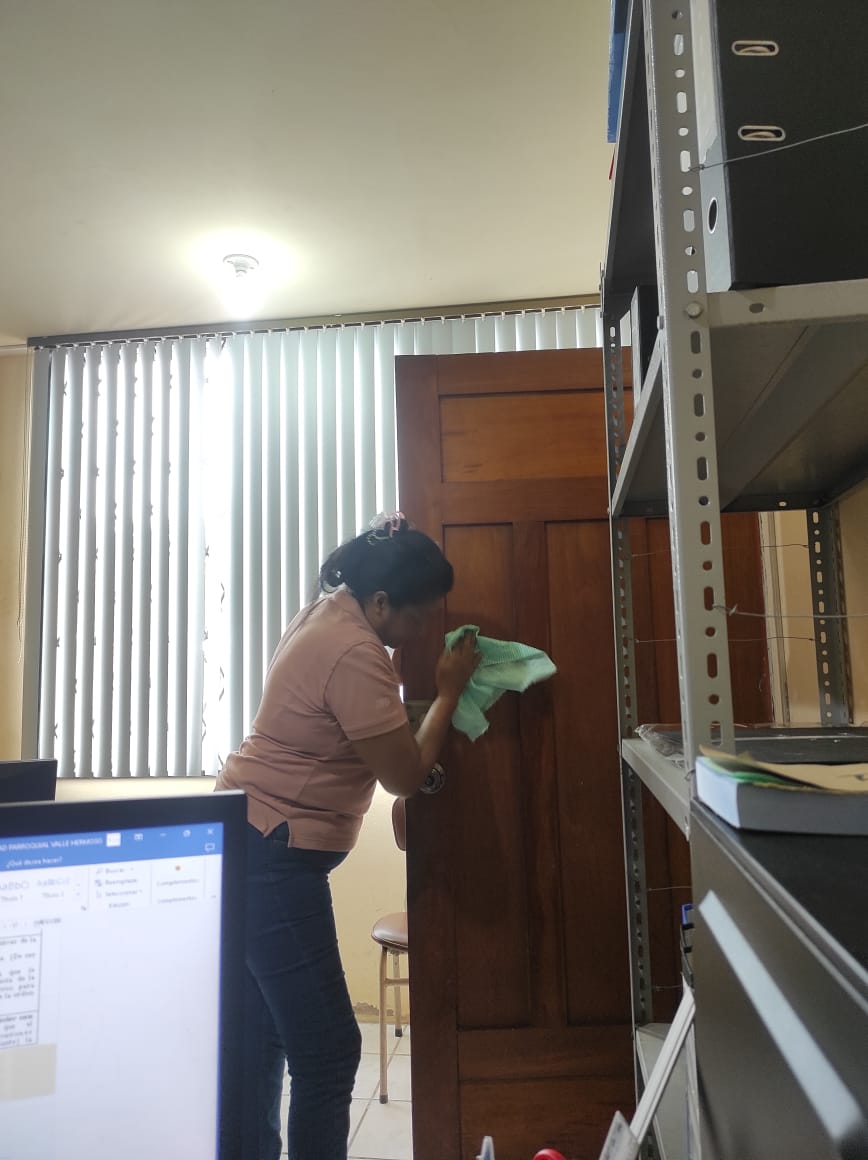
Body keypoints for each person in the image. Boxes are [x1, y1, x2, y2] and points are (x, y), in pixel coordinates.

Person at [216, 513, 479, 1160]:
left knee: (263, 1036)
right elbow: (404, 776)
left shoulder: (328, 608)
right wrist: (448, 693)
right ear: (380, 603)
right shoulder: (356, 653)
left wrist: (388, 538)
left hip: (248, 838)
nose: (424, 631)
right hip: (272, 854)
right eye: (418, 617)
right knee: (331, 1052)